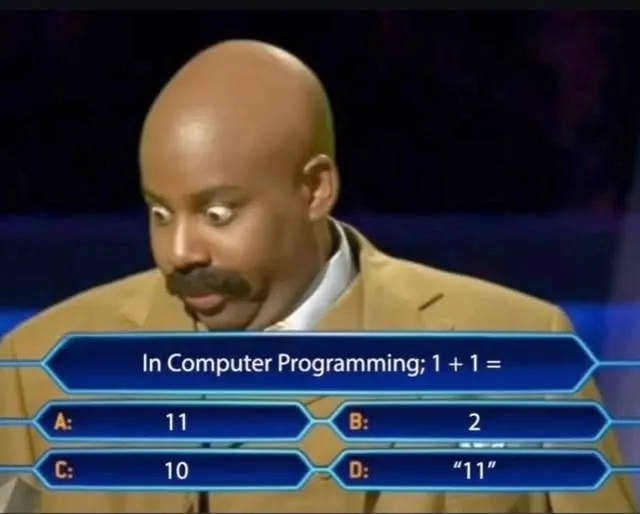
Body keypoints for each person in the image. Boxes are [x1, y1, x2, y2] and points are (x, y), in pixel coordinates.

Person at [0, 40, 635, 513]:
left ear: (314, 190)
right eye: (160, 213)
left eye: (218, 214)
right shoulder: (40, 369)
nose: (180, 251)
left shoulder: (517, 354)